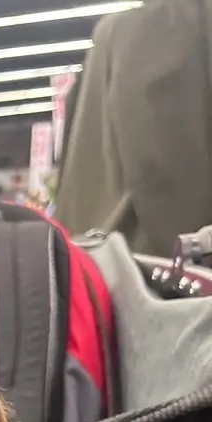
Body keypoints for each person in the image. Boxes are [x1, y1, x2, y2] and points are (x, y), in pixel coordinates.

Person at [56, 0, 212, 257]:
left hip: (92, 253)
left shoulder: (116, 31)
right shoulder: (167, 28)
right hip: (151, 256)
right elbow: (161, 167)